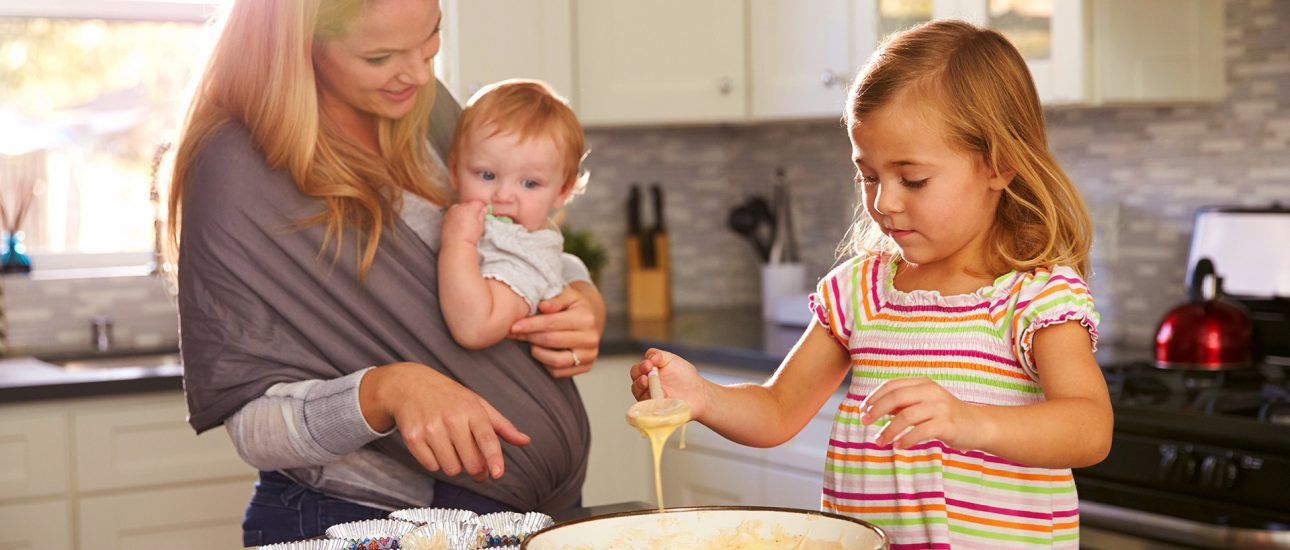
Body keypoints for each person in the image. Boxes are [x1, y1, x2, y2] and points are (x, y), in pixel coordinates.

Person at [630, 20, 1112, 549]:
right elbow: (777, 410)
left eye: (913, 178)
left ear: (1000, 165)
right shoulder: (861, 291)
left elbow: (1089, 429)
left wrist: (969, 422)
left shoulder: (1034, 298)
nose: (885, 201)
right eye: (869, 175)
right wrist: (702, 397)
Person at [166, 0, 604, 546]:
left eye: (430, 38)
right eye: (381, 56)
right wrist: (385, 391)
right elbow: (254, 427)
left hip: (518, 517)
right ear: (299, 44)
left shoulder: (422, 109)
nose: (420, 74)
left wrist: (580, 292)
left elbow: (513, 239)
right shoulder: (238, 171)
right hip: (361, 522)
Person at [439, 79, 590, 350]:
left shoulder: (527, 255)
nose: (503, 196)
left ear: (562, 190)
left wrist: (457, 244)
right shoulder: (486, 228)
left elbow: (475, 328)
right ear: (454, 171)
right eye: (487, 175)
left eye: (530, 183)